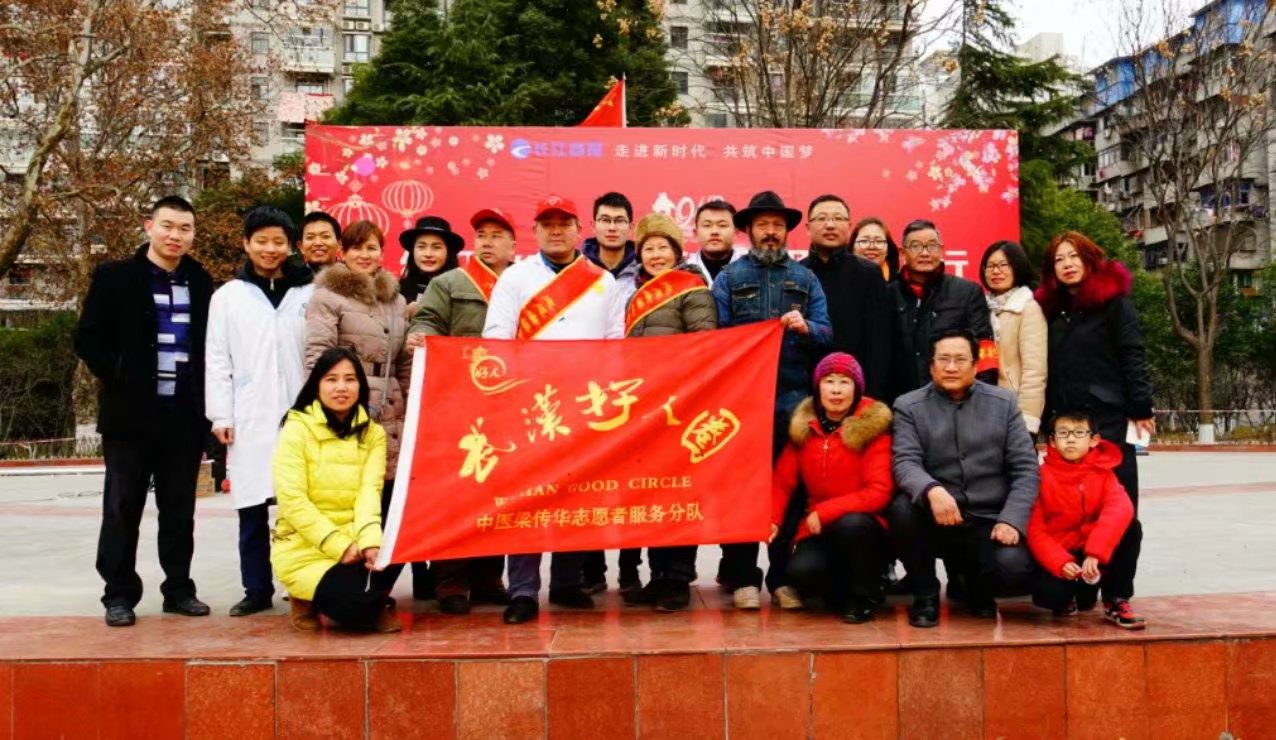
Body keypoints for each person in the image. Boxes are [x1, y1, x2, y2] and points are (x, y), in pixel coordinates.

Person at [483, 195, 626, 624]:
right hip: (529, 405)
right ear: (536, 231)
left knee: (576, 494)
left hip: (582, 405)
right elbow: (496, 337)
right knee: (526, 499)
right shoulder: (515, 277)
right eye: (547, 224)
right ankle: (523, 590)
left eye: (564, 223)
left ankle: (567, 582)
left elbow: (616, 343)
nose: (556, 230)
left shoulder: (602, 281)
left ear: (579, 229)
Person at [73, 195, 214, 627]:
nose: (175, 236)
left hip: (183, 417)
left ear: (193, 234)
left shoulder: (201, 281)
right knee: (122, 507)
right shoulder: (115, 276)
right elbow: (87, 338)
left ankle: (179, 590)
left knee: (179, 511)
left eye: (185, 228)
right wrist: (119, 372)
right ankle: (118, 594)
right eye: (167, 226)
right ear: (148, 225)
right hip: (129, 417)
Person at [711, 190, 832, 611]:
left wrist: (807, 327)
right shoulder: (729, 279)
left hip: (793, 404)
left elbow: (827, 333)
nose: (770, 232)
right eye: (762, 224)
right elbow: (715, 338)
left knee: (791, 491)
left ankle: (782, 577)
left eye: (777, 225)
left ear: (787, 231)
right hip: (742, 405)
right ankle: (743, 576)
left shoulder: (806, 279)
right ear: (748, 230)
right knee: (742, 491)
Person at [1036, 230, 1153, 628]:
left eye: (1074, 256)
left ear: (1090, 260)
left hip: (1108, 422)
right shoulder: (1050, 311)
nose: (1067, 264)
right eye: (1059, 259)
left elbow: (1132, 354)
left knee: (1121, 511)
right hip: (1064, 425)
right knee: (1066, 509)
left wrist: (1140, 407)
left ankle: (1118, 596)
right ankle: (1078, 584)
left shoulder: (1114, 304)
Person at [405, 207, 520, 615]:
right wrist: (422, 336)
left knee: (498, 494)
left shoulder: (527, 284)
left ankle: (489, 579)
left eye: (497, 235)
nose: (488, 242)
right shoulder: (450, 283)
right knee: (455, 494)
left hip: (510, 405)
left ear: (514, 244)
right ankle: (450, 581)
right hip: (457, 404)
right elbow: (427, 321)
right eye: (482, 235)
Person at [205, 206, 315, 617]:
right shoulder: (228, 297)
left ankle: (302, 583)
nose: (270, 249)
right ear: (246, 244)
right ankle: (256, 588)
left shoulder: (309, 292)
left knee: (302, 502)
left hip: (303, 410)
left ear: (291, 246)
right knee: (251, 504)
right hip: (249, 411)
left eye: (279, 242)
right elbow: (217, 357)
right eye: (262, 241)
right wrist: (221, 415)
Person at [889, 329, 1039, 628]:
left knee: (1014, 571)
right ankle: (925, 594)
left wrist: (1011, 520)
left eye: (960, 359)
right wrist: (931, 490)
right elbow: (905, 461)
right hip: (937, 514)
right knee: (902, 509)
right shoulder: (908, 406)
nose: (951, 367)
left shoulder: (1004, 403)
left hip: (989, 517)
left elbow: (1026, 469)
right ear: (931, 366)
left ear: (975, 365)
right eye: (943, 359)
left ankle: (974, 586)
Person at [305, 220, 422, 600]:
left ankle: (377, 589)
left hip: (391, 410)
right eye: (356, 247)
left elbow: (404, 363)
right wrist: (328, 405)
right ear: (343, 252)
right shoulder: (327, 297)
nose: (364, 255)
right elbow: (317, 355)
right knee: (349, 498)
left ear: (382, 252)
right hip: (346, 404)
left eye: (371, 247)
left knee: (390, 500)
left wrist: (410, 405)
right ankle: (341, 588)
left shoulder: (396, 300)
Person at [619, 212, 717, 612]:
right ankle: (658, 576)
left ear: (676, 252)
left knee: (680, 491)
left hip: (680, 406)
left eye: (663, 247)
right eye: (649, 249)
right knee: (653, 493)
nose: (656, 255)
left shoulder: (692, 288)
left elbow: (704, 345)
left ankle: (677, 577)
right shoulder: (634, 295)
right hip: (644, 408)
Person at [271, 347, 401, 632]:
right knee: (353, 606)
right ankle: (309, 598)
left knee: (400, 539)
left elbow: (369, 494)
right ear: (316, 386)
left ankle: (368, 600)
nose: (341, 387)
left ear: (361, 386)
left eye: (349, 379)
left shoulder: (373, 434)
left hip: (355, 541)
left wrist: (370, 544)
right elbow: (292, 500)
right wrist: (338, 545)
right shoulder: (296, 429)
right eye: (331, 379)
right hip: (306, 546)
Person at [771, 353, 892, 623]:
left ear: (857, 389)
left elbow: (879, 491)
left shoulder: (872, 429)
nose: (836, 390)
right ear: (818, 387)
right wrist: (773, 520)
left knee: (852, 525)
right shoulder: (804, 427)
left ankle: (866, 594)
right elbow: (782, 481)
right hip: (819, 529)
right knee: (801, 573)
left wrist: (825, 512)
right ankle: (842, 590)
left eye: (844, 382)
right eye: (829, 381)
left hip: (863, 525)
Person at [1028, 410, 1141, 628]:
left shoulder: (1103, 472)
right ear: (1052, 441)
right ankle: (1069, 598)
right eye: (1063, 433)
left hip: (1093, 553)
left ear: (1094, 440)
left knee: (1131, 528)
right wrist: (1060, 562)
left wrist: (1095, 552)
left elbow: (1121, 508)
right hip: (1062, 553)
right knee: (1051, 595)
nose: (1070, 439)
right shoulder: (1039, 477)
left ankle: (1116, 599)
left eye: (1079, 433)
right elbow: (1035, 531)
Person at [888, 219, 996, 403]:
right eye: (915, 246)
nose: (925, 253)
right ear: (902, 252)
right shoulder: (887, 294)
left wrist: (979, 402)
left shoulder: (967, 292)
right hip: (901, 402)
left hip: (956, 400)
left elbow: (985, 351)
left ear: (941, 250)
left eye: (932, 246)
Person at [799, 195, 893, 400]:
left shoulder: (869, 273)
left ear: (849, 226)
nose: (830, 225)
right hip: (805, 392)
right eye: (822, 218)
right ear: (808, 228)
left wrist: (872, 398)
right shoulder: (796, 273)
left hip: (857, 391)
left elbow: (879, 344)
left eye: (838, 218)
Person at [980, 240, 1047, 435]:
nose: (996, 271)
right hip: (982, 405)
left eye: (1004, 265)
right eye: (991, 266)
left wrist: (1027, 420)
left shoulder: (1028, 308)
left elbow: (1035, 371)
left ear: (1017, 268)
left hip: (1013, 408)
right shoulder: (980, 308)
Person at [398, 215, 463, 314]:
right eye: (421, 246)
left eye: (436, 247)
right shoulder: (395, 292)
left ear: (448, 253)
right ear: (413, 251)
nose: (428, 254)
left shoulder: (463, 292)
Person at [582, 191, 640, 288]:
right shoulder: (578, 267)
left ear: (630, 228)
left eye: (619, 221)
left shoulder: (643, 269)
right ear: (593, 226)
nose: (612, 228)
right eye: (605, 220)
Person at [685, 199, 745, 286]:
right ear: (696, 233)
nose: (714, 231)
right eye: (707, 225)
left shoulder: (751, 268)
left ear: (736, 232)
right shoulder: (683, 272)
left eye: (722, 225)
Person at [850, 216, 899, 282]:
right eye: (864, 241)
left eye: (879, 241)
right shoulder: (839, 279)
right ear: (852, 247)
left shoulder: (900, 285)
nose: (872, 247)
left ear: (888, 249)